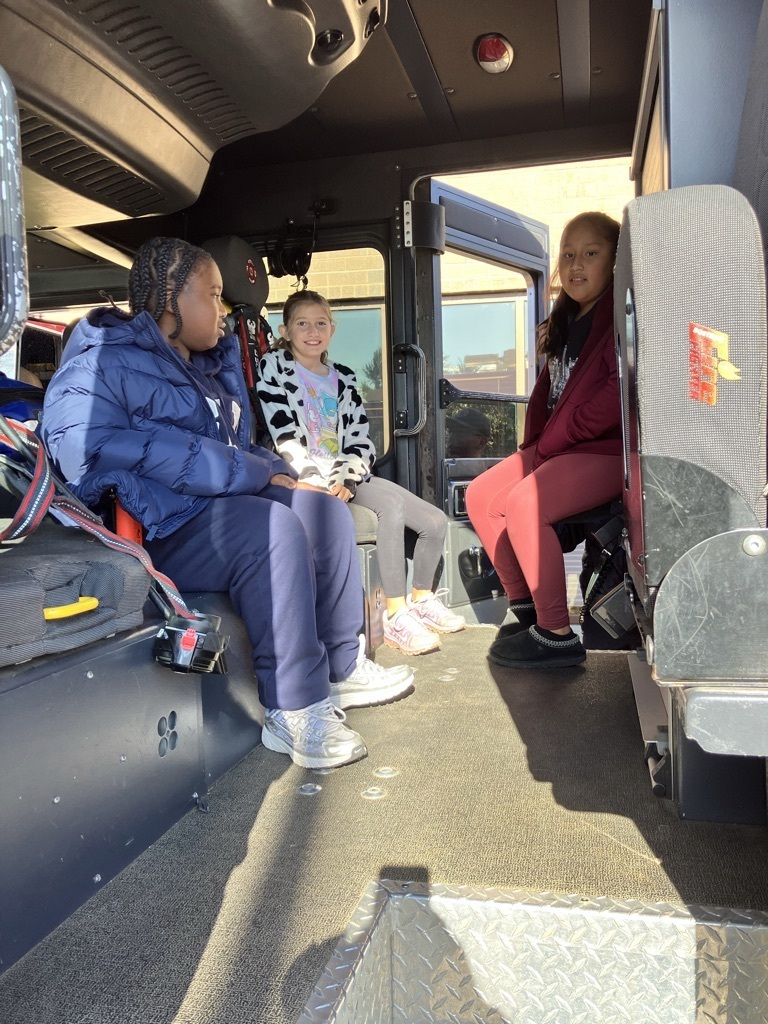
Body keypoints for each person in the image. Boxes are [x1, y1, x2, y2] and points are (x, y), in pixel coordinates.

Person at [41, 237, 416, 771]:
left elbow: (240, 452)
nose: (223, 311)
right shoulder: (101, 360)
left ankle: (341, 667)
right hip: (156, 530)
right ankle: (293, 706)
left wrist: (282, 472)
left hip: (213, 510)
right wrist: (250, 471)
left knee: (323, 510)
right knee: (271, 530)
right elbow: (81, 448)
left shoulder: (208, 367)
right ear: (171, 299)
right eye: (213, 296)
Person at [257, 289, 466, 656]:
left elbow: (359, 438)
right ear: (285, 330)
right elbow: (283, 433)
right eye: (302, 323)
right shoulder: (273, 368)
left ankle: (421, 599)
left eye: (321, 323)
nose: (312, 331)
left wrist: (348, 477)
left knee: (434, 522)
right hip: (308, 478)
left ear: (332, 330)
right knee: (390, 508)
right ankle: (395, 614)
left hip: (347, 474)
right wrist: (317, 481)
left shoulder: (344, 378)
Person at [465, 211, 623, 669]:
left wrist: (560, 437)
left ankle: (556, 634)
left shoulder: (617, 317)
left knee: (524, 505)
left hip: (604, 450)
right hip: (560, 445)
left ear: (615, 260)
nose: (576, 265)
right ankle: (527, 608)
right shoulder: (565, 319)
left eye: (591, 254)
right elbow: (550, 396)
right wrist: (537, 443)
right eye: (568, 255)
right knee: (481, 497)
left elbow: (617, 398)